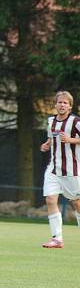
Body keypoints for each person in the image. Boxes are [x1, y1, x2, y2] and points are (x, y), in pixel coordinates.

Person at [39, 91, 80, 249]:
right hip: (53, 169)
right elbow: (51, 138)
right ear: (55, 105)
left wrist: (70, 140)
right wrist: (46, 145)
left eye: (65, 103)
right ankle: (57, 239)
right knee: (50, 199)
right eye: (59, 102)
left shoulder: (75, 121)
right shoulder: (51, 121)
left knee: (76, 204)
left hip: (71, 170)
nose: (62, 105)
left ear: (70, 106)